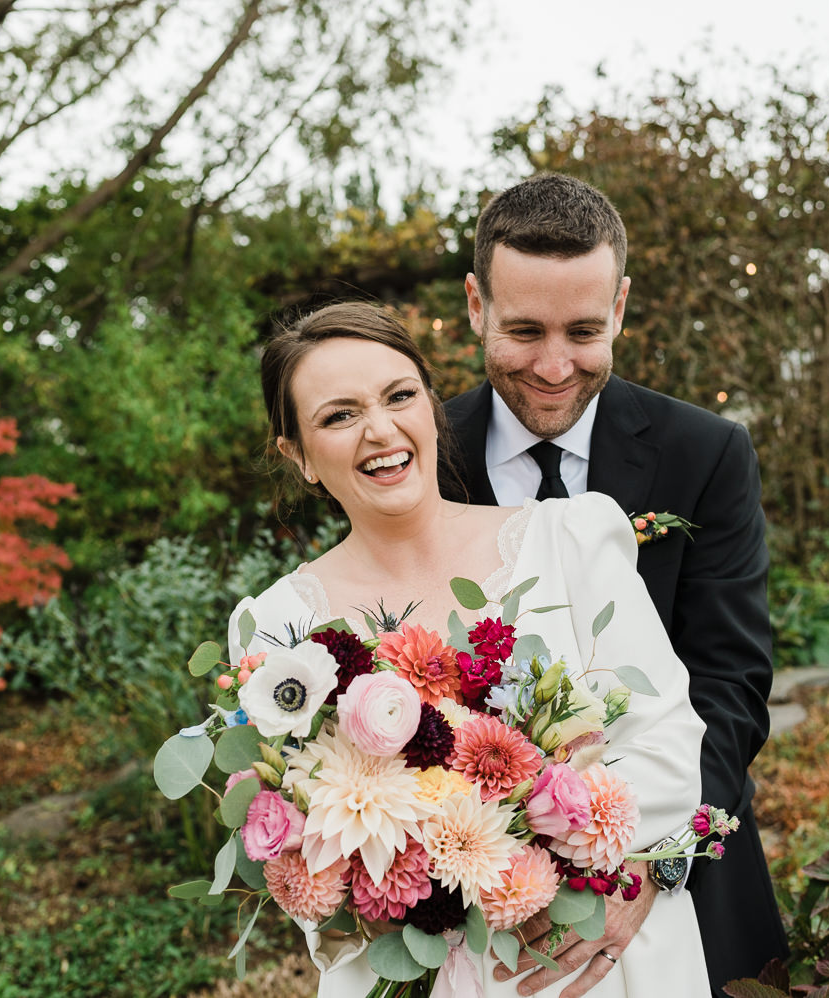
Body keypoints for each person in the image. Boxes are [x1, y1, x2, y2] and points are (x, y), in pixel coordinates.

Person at [228, 301, 710, 997]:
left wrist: (577, 861)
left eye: (399, 396)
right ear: (297, 455)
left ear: (430, 404)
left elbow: (666, 737)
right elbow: (300, 867)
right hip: (412, 971)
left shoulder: (568, 541)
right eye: (339, 416)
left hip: (594, 952)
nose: (381, 430)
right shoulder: (274, 631)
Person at [441, 173, 788, 995]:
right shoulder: (424, 456)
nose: (555, 367)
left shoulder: (705, 454)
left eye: (584, 331)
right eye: (524, 330)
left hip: (684, 874)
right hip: (479, 901)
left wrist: (654, 858)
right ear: (475, 306)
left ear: (622, 307)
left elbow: (731, 685)